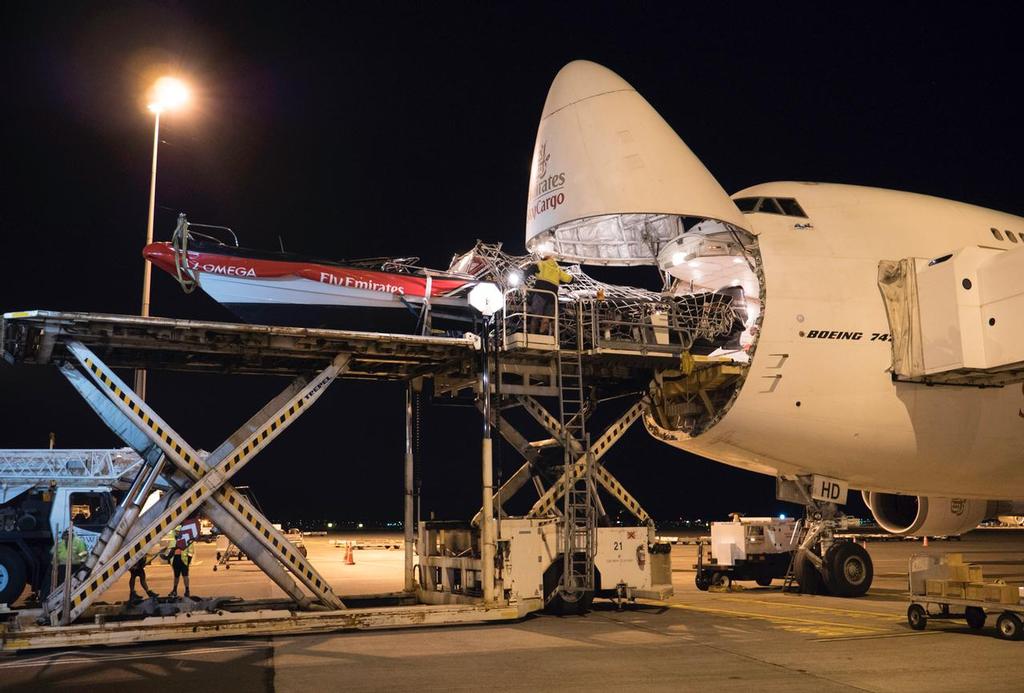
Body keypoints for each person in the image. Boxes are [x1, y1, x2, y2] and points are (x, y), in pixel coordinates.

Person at [527, 252, 573, 334]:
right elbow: (569, 279)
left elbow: (529, 271)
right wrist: (572, 277)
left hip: (540, 294)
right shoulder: (557, 269)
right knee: (547, 317)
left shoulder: (541, 264)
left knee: (536, 316)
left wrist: (522, 280)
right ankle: (542, 334)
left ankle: (532, 334)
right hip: (552, 297)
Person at [166, 526, 195, 599]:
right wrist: (169, 559)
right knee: (176, 576)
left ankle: (187, 590)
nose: (177, 533)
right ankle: (174, 590)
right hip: (175, 559)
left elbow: (191, 550)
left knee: (185, 575)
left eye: (178, 532)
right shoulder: (172, 540)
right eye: (176, 532)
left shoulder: (187, 539)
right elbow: (169, 550)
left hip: (184, 559)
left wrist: (189, 560)